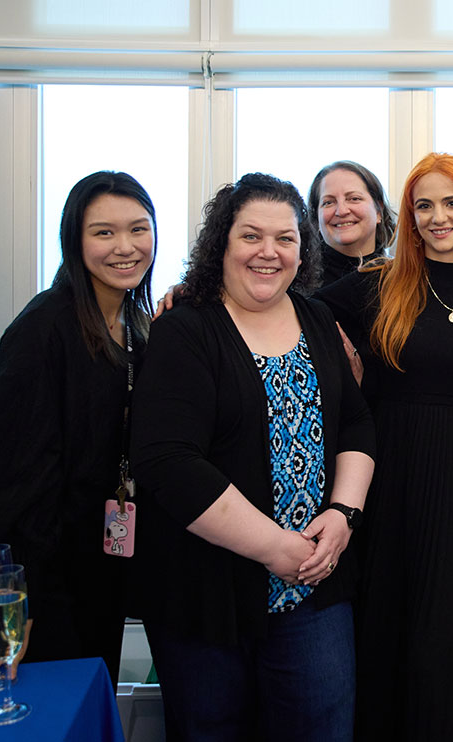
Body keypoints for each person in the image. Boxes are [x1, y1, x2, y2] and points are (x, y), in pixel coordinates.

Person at [130, 172, 375, 741]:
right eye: (251, 236)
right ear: (223, 244)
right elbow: (168, 463)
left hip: (316, 582)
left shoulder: (315, 318)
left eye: (285, 238)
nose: (269, 252)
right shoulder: (184, 330)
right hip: (205, 596)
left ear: (302, 248)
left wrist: (343, 516)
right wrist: (276, 547)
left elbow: (357, 422)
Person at [316, 152, 453, 741]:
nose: (438, 217)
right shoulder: (375, 286)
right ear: (407, 217)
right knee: (396, 632)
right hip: (395, 485)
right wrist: (192, 289)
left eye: (451, 203)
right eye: (424, 205)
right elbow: (283, 303)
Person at [0, 171, 157, 688]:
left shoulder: (133, 322)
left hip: (94, 560)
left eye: (139, 229)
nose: (125, 247)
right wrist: (20, 607)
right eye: (104, 232)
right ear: (74, 239)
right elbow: (11, 486)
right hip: (32, 576)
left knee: (89, 702)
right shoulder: (43, 329)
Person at [307, 160, 397, 287]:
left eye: (354, 199)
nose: (341, 211)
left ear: (378, 211)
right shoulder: (296, 285)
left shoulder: (404, 280)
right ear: (316, 218)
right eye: (328, 202)